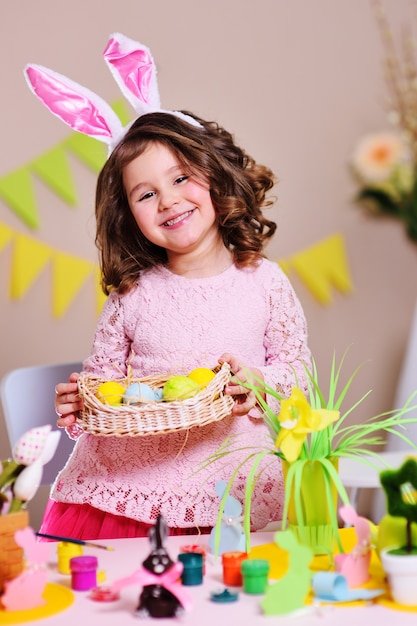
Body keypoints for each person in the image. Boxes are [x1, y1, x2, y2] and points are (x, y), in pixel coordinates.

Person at [29, 35, 312, 540]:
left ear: (215, 174)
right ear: (128, 214)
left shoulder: (265, 283)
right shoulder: (131, 295)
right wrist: (82, 404)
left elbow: (300, 373)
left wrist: (259, 382)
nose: (168, 201)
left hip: (234, 481)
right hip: (128, 493)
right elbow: (105, 386)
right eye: (146, 193)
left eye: (181, 178)